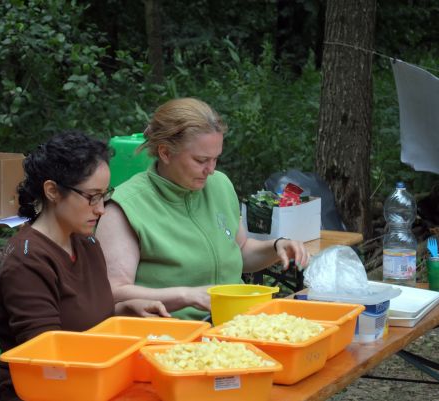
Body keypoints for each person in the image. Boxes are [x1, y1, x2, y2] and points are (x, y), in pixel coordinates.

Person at [0, 131, 169, 401]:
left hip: (95, 381)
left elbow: (84, 322)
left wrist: (122, 311)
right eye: (91, 197)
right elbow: (48, 358)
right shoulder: (27, 262)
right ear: (52, 191)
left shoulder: (86, 243)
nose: (101, 210)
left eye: (104, 196)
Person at [95, 98, 310, 321]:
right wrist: (186, 295)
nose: (210, 170)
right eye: (200, 160)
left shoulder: (220, 185)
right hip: (172, 331)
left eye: (215, 159)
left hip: (238, 322)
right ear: (165, 153)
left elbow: (240, 250)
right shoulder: (125, 207)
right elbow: (114, 291)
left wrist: (277, 248)